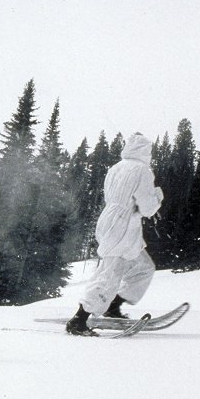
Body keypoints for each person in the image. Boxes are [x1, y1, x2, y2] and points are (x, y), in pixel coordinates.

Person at [66, 133, 164, 336]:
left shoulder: (116, 168)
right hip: (123, 226)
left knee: (143, 267)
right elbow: (147, 208)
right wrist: (158, 196)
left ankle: (112, 306)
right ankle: (79, 319)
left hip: (112, 220)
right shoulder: (142, 171)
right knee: (110, 273)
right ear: (145, 151)